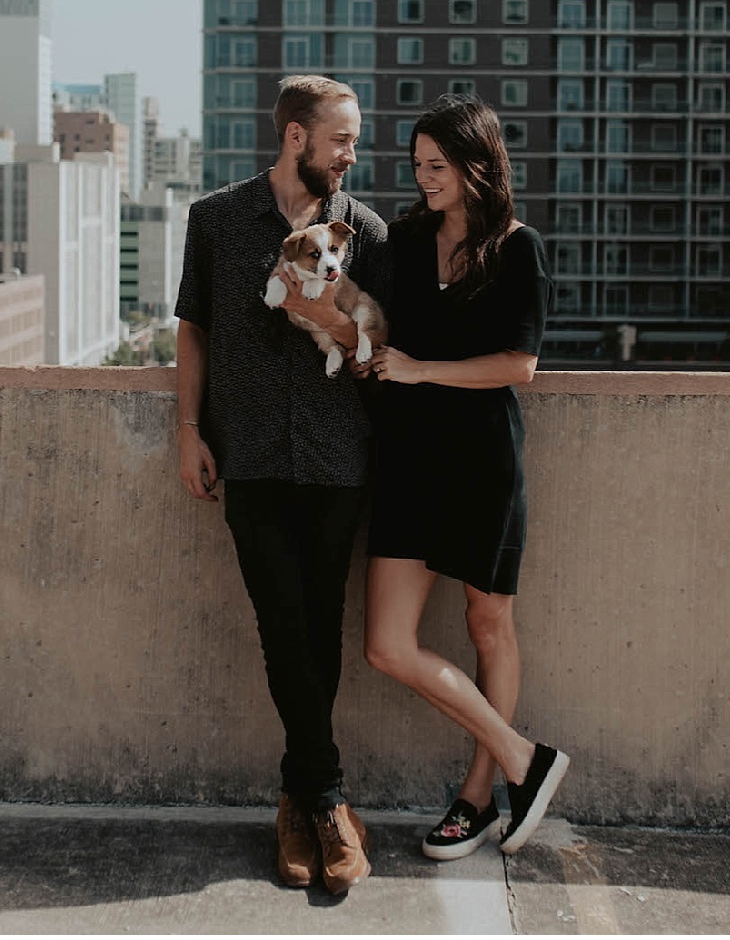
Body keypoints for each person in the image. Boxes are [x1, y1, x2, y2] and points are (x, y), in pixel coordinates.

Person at [173, 74, 391, 895]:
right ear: (296, 137)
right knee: (280, 625)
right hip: (252, 456)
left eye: (356, 141)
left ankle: (300, 802)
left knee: (319, 629)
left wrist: (332, 312)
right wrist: (190, 431)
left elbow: (378, 356)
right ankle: (326, 799)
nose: (352, 153)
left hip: (339, 460)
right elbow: (192, 329)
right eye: (341, 139)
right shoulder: (218, 220)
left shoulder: (362, 229)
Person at [357, 93, 569, 860]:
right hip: (410, 462)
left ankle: (478, 798)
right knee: (387, 644)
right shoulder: (405, 241)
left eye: (438, 166)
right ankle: (525, 759)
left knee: (490, 627)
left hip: (482, 463)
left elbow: (520, 365)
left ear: (478, 167)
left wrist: (420, 370)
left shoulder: (518, 248)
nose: (424, 180)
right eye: (418, 167)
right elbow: (366, 316)